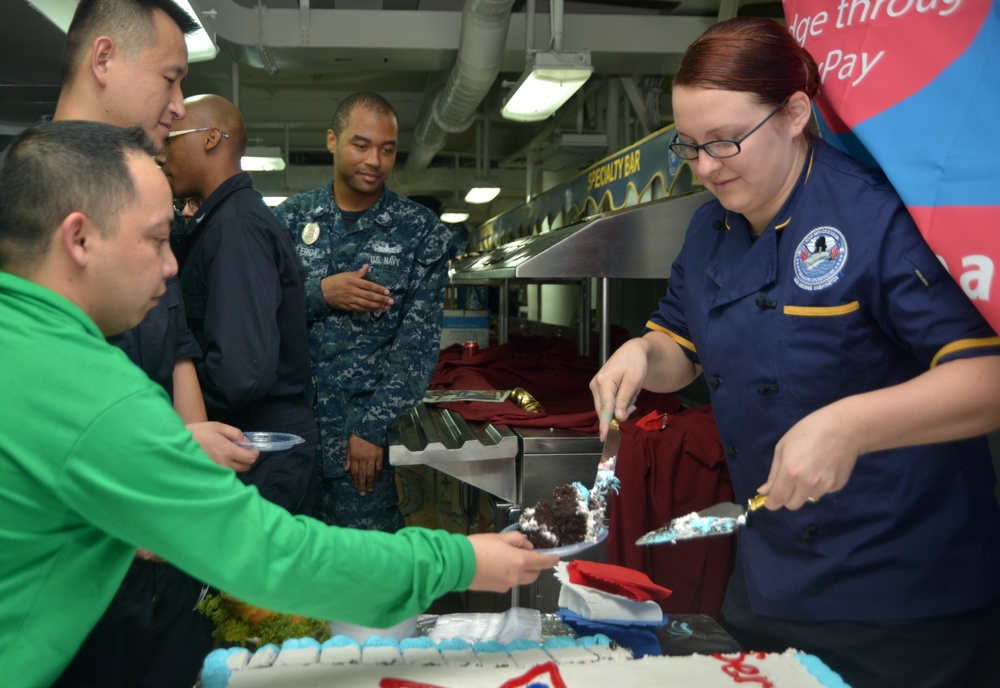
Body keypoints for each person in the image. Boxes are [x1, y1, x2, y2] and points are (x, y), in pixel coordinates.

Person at [0, 119, 557, 688]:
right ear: (79, 238)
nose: (171, 265)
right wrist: (461, 561)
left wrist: (165, 449)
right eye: (155, 238)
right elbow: (269, 555)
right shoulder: (96, 394)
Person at [589, 17, 1000, 688]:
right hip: (768, 580)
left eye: (724, 143)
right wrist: (641, 354)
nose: (705, 167)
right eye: (688, 146)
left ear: (794, 114)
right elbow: (681, 345)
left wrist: (849, 425)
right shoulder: (708, 229)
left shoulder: (875, 220)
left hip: (903, 597)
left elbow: (986, 376)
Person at [274, 92, 451, 532]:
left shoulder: (420, 233)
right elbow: (257, 313)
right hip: (287, 435)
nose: (375, 159)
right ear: (332, 141)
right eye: (361, 144)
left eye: (387, 149)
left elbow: (416, 347)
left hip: (360, 448)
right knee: (285, 575)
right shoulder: (289, 221)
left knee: (364, 577)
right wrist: (319, 294)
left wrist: (372, 428)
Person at [159, 94, 318, 515]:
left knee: (244, 580)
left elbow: (241, 370)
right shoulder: (222, 221)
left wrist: (179, 419)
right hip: (248, 432)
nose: (162, 152)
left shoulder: (235, 228)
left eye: (171, 139)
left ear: (211, 139)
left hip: (256, 440)